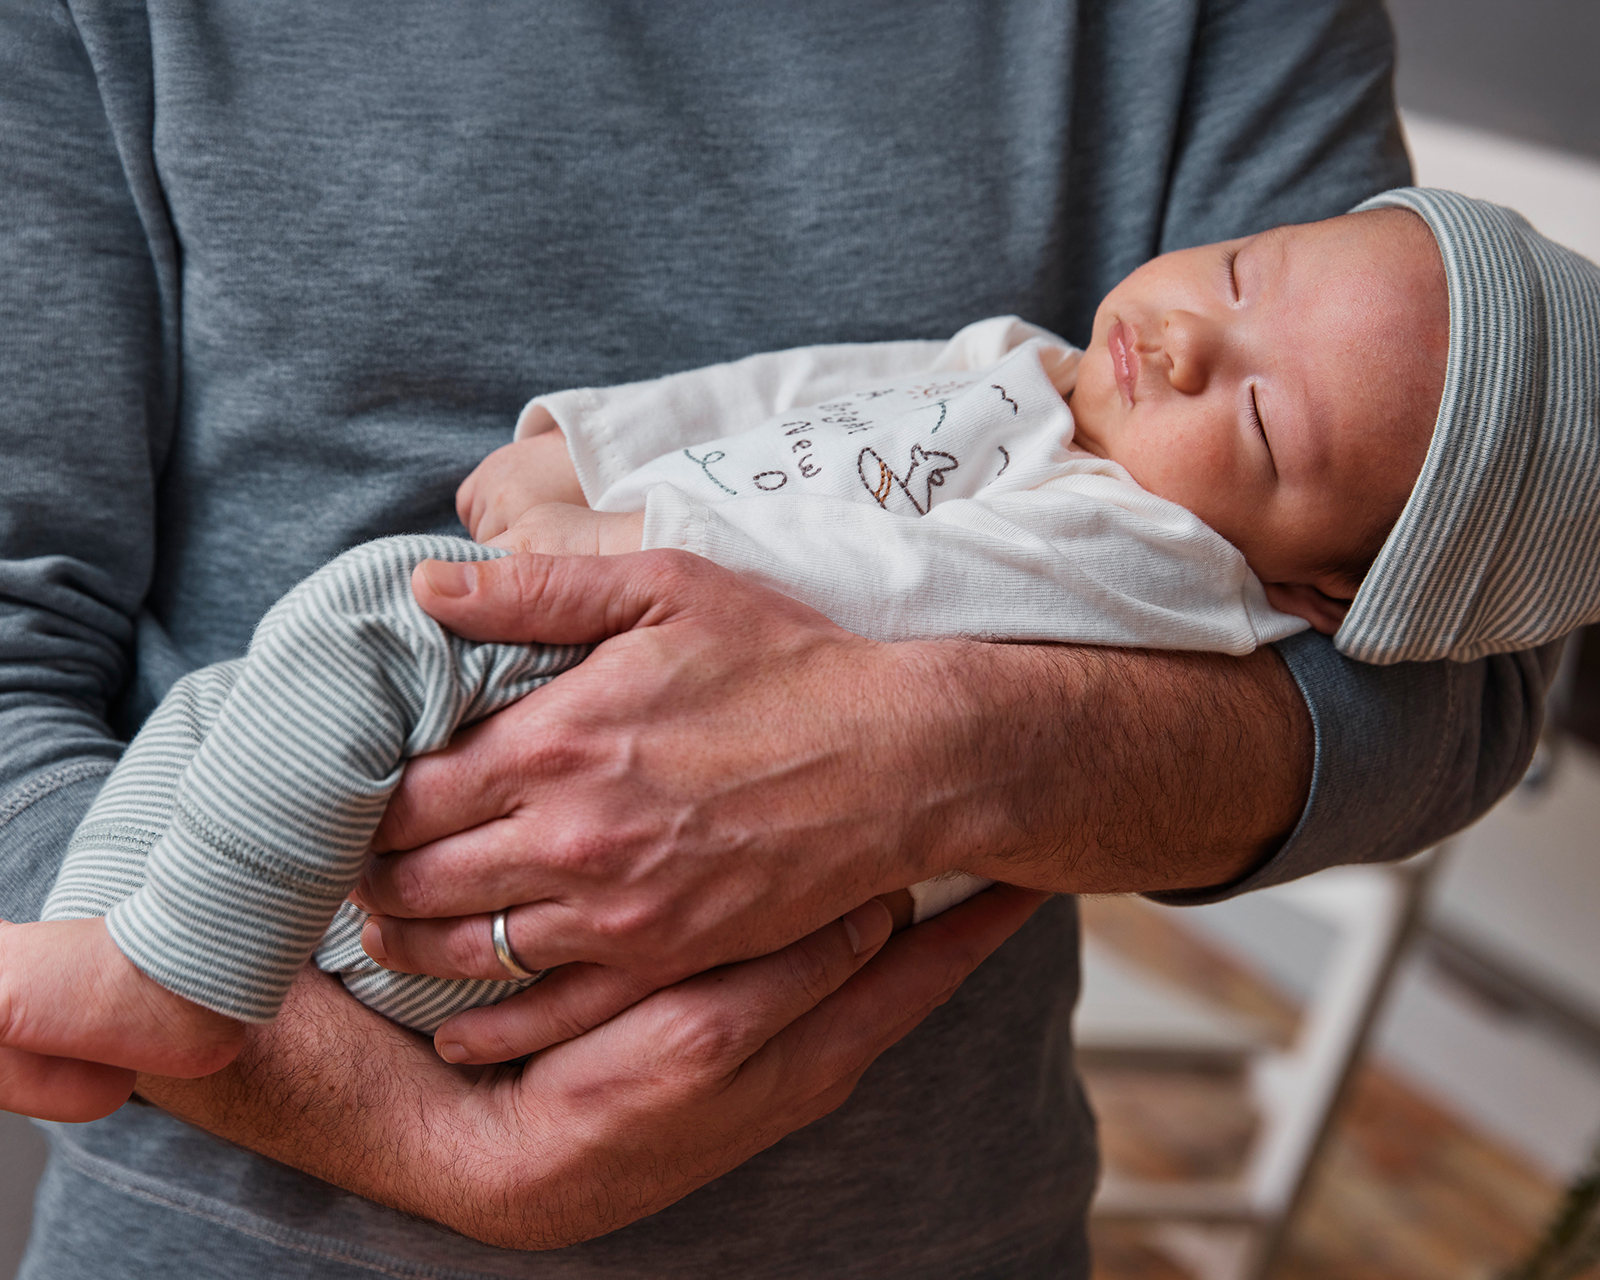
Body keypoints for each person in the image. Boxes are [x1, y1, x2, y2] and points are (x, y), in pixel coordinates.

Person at [0, 4, 1559, 1277]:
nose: (1196, 336)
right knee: (224, 710)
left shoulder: (1146, 548)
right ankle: (138, 959)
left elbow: (1451, 695)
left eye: (1268, 419)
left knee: (362, 615)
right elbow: (798, 395)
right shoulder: (1041, 371)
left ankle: (176, 971)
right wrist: (586, 449)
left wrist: (942, 740)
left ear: (1315, 587)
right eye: (1236, 269)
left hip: (893, 1201)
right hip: (246, 1201)